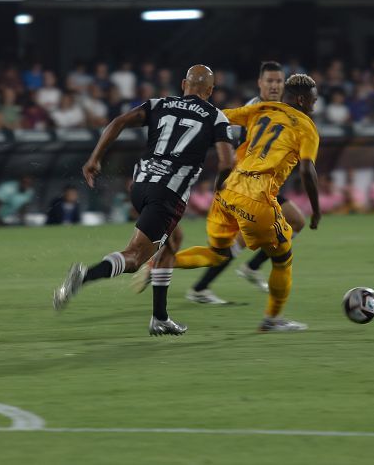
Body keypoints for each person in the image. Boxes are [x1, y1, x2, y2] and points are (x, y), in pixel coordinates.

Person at [52, 65, 236, 337]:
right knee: (136, 257)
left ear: (184, 84)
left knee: (172, 241)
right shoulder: (215, 116)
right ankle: (85, 276)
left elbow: (118, 122)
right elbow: (226, 161)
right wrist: (220, 187)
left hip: (140, 186)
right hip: (168, 193)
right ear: (210, 91)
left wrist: (94, 159)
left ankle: (160, 318)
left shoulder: (159, 103)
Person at [171, 74, 321, 332]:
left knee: (218, 254)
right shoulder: (306, 127)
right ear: (301, 99)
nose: (315, 105)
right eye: (313, 100)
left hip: (228, 189)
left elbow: (218, 115)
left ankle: (157, 262)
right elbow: (307, 171)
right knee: (283, 259)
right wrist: (316, 210)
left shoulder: (260, 108)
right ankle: (271, 320)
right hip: (257, 195)